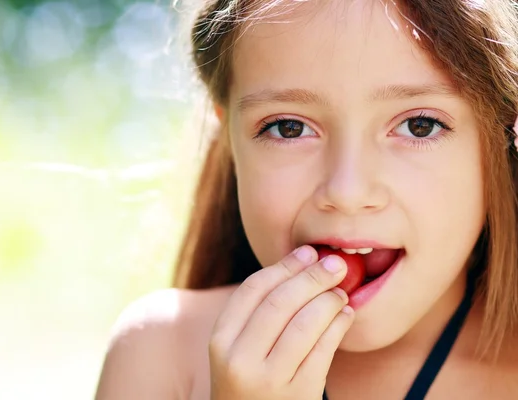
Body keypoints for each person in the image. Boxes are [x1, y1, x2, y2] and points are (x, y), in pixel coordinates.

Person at [94, 0, 518, 398]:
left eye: (419, 126)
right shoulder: (162, 353)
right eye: (288, 129)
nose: (347, 193)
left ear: (501, 133)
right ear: (231, 143)